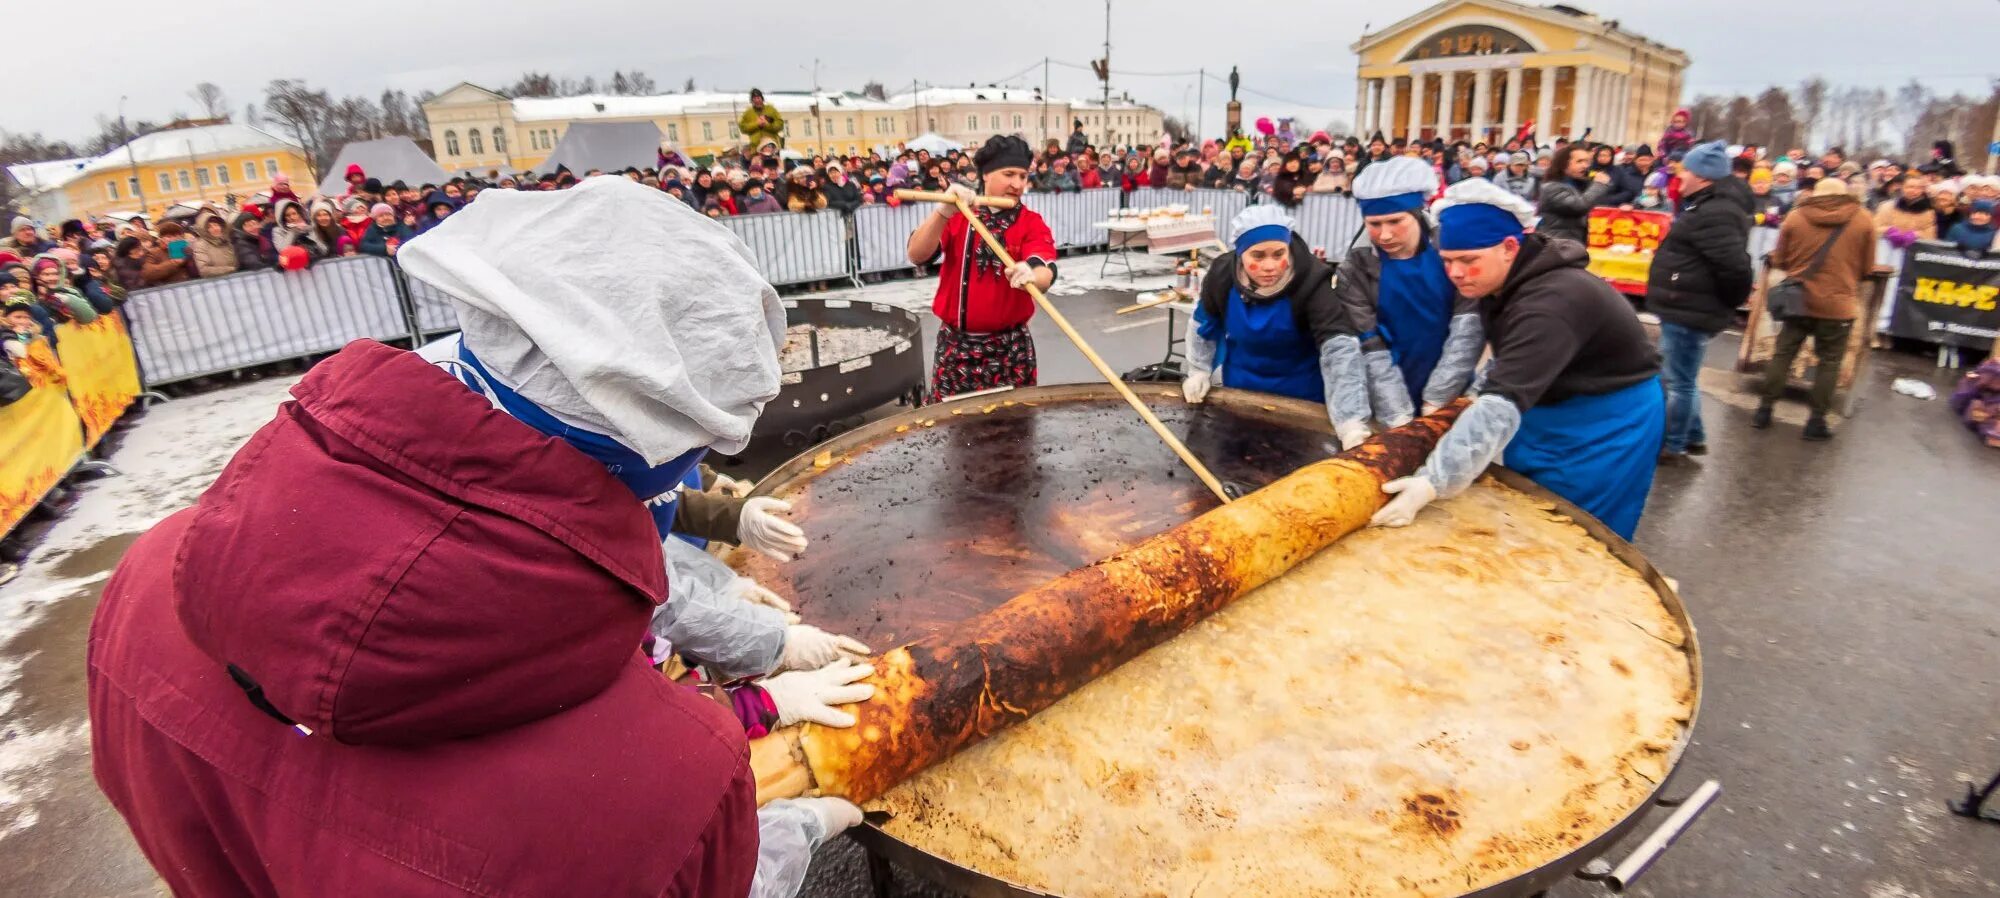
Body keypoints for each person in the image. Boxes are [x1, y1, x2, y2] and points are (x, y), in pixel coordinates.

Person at [88, 177, 864, 898]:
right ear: (653, 452)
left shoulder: (151, 574)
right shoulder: (664, 783)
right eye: (694, 457)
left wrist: (753, 638)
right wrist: (767, 846)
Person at [1371, 178, 1663, 540]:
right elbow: (1505, 362)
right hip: (1544, 406)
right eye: (1447, 261)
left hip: (1605, 423)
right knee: (1527, 512)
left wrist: (1432, 482)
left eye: (1468, 260)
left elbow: (1501, 403)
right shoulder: (1501, 281)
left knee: (1575, 532)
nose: (1456, 273)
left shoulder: (1551, 303)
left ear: (1510, 247)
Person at [1321, 156, 1482, 451]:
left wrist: (1438, 398)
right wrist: (1398, 416)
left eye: (1396, 222)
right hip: (1386, 385)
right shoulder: (1356, 268)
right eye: (1374, 224)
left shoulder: (1451, 252)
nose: (1385, 234)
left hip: (1449, 380)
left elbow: (1467, 328)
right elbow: (1370, 342)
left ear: (1417, 213)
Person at [904, 135, 1056, 402]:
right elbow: (917, 255)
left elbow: (1045, 268)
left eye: (1023, 176)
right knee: (953, 431)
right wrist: (942, 211)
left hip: (1010, 351)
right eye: (1009, 174)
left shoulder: (1030, 221)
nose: (1018, 184)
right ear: (986, 175)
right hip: (957, 347)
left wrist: (1032, 274)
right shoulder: (960, 214)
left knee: (1012, 433)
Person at [1644, 141, 1753, 464]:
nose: (1681, 175)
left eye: (1687, 170)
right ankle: (1693, 436)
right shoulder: (1706, 204)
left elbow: (1735, 267)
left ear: (1704, 177)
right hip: (1687, 302)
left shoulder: (1716, 212)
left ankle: (1673, 444)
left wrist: (1727, 303)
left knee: (1677, 381)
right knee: (1683, 378)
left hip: (1691, 307)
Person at [1180, 204, 1344, 417]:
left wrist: (1346, 416)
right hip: (1240, 391)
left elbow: (1337, 346)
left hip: (1301, 399)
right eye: (1257, 256)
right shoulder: (1222, 276)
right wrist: (1199, 371)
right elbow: (1203, 326)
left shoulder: (1311, 280)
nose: (1269, 266)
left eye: (1278, 254)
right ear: (1240, 254)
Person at [1755, 178, 1875, 440]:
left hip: (1798, 299)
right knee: (1829, 362)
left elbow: (1781, 259)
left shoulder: (1796, 217)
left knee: (1783, 354)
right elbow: (1868, 269)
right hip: (1838, 304)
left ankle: (1764, 410)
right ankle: (1816, 421)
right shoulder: (1864, 219)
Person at [1537, 144, 1613, 242]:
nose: (1585, 166)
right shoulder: (1552, 187)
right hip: (1557, 245)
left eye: (1587, 162)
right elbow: (1578, 206)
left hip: (1574, 243)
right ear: (1563, 164)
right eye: (1579, 161)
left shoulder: (1580, 183)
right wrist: (1598, 185)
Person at [1873, 174, 1936, 249]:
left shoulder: (1928, 212)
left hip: (1913, 252)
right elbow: (1874, 228)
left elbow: (1931, 236)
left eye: (1919, 188)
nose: (1914, 191)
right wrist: (1888, 230)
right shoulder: (1887, 206)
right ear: (1902, 187)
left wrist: (1916, 234)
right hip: (1887, 250)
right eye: (1910, 187)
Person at [188, 208, 240, 278]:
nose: (215, 228)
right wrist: (231, 269)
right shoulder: (200, 245)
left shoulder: (226, 239)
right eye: (209, 227)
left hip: (236, 279)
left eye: (216, 225)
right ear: (203, 230)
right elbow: (204, 270)